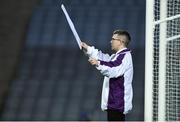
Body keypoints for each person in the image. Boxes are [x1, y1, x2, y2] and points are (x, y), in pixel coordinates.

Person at [81, 30, 133, 121]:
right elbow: (105, 59)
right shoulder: (117, 56)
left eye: (113, 39)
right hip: (115, 104)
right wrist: (88, 49)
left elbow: (113, 68)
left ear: (121, 42)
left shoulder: (124, 56)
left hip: (117, 104)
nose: (111, 41)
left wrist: (98, 63)